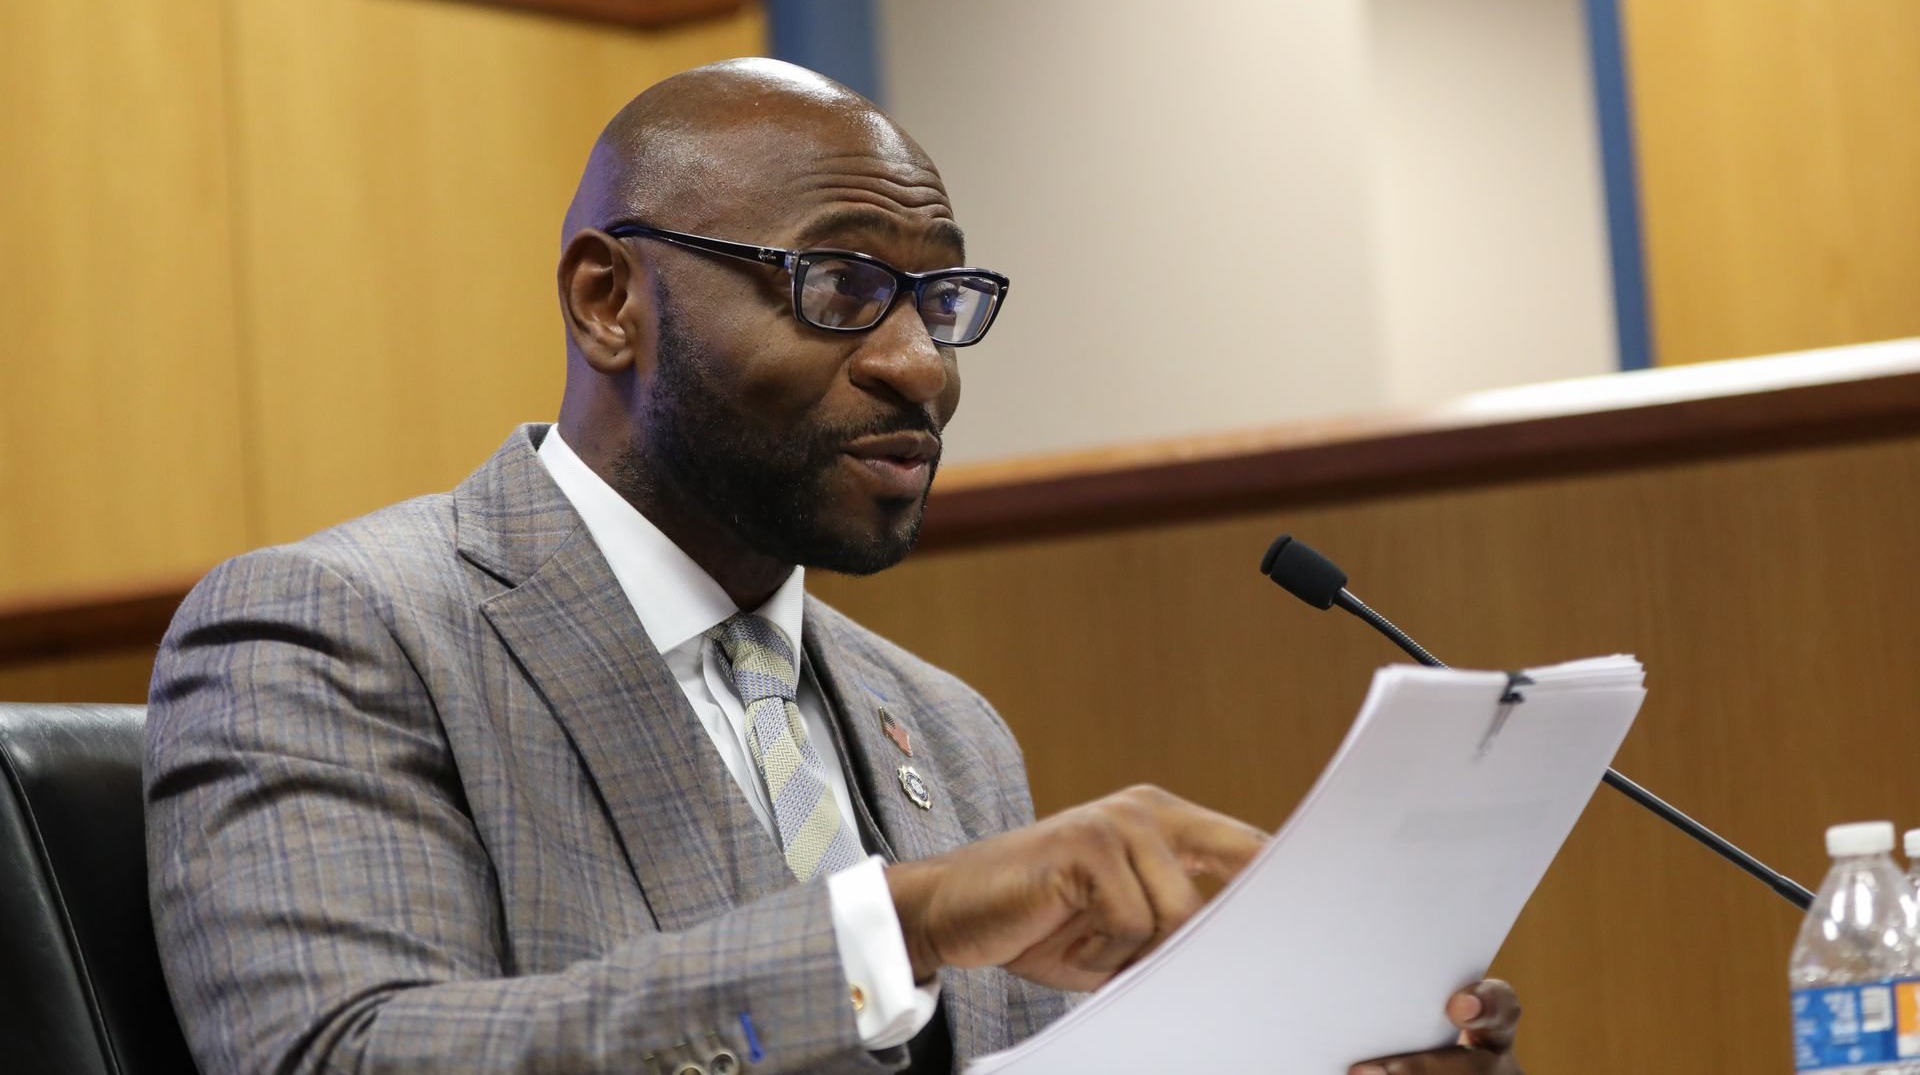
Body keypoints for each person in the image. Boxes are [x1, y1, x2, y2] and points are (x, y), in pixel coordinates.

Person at [145, 58, 1523, 1075]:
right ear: (608, 302)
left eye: (942, 301)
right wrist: (901, 923)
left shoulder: (943, 727)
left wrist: (1312, 1050)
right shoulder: (336, 628)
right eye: (839, 286)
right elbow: (343, 1057)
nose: (921, 365)